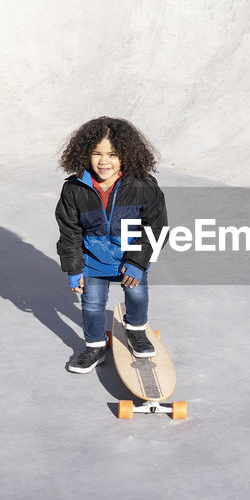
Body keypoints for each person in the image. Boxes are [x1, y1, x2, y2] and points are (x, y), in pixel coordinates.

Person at [55, 116, 168, 373]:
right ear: (85, 154)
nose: (104, 161)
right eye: (97, 153)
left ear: (127, 155)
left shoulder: (143, 186)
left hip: (130, 257)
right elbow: (69, 231)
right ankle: (94, 346)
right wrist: (74, 269)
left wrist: (137, 262)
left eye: (113, 154)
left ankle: (136, 331)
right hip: (92, 261)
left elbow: (156, 227)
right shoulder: (75, 189)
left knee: (136, 294)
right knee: (92, 304)